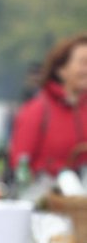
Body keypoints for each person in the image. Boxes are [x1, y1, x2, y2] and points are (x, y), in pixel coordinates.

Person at [9, 33, 87, 176]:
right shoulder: (37, 110)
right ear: (61, 70)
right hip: (48, 195)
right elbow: (20, 164)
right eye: (83, 62)